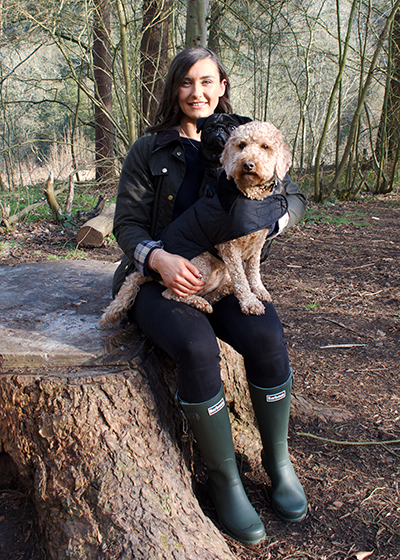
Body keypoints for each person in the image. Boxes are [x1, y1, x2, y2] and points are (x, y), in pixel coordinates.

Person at [112, 47, 307, 545]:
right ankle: (227, 484)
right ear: (174, 90)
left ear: (222, 85)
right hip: (163, 275)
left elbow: (295, 197)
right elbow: (127, 225)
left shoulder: (248, 134)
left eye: (206, 82)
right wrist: (158, 259)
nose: (196, 93)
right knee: (197, 347)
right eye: (185, 83)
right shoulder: (148, 149)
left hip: (227, 271)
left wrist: (271, 221)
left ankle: (278, 461)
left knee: (266, 334)